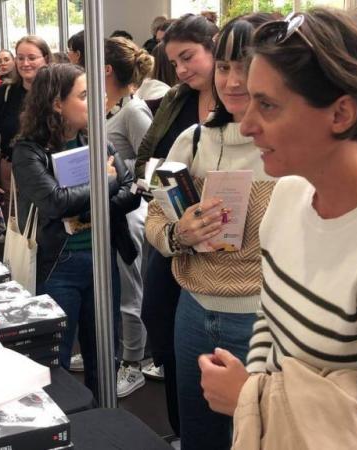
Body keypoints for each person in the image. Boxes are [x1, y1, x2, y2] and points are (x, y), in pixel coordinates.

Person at [199, 9, 357, 450]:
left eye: (269, 105)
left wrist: (248, 398)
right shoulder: (288, 195)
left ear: (340, 114)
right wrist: (257, 400)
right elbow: (270, 320)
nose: (247, 124)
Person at [146, 14, 275, 449]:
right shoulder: (194, 141)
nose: (234, 81)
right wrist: (180, 234)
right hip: (194, 311)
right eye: (224, 67)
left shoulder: (289, 146)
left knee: (258, 434)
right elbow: (156, 221)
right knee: (198, 432)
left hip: (264, 320)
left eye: (247, 66)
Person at [12, 63, 140, 399]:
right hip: (58, 266)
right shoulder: (28, 150)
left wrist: (86, 206)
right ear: (57, 104)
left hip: (101, 259)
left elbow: (131, 192)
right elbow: (54, 203)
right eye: (84, 96)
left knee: (104, 354)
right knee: (57, 359)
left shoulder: (97, 139)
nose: (95, 101)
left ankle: (106, 422)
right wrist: (104, 182)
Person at [135, 13, 218, 436]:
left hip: (221, 242)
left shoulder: (238, 99)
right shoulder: (176, 99)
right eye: (175, 62)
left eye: (189, 58)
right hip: (169, 225)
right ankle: (180, 428)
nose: (182, 70)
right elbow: (148, 152)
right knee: (160, 319)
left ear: (215, 47)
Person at [103, 36, 154, 398]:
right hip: (109, 211)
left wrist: (122, 185)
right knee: (109, 287)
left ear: (105, 69)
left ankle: (132, 362)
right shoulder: (108, 108)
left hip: (129, 214)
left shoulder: (133, 111)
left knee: (129, 290)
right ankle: (114, 352)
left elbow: (149, 163)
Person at [0, 36, 51, 205]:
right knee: (16, 228)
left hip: (50, 174)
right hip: (11, 175)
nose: (25, 63)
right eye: (20, 58)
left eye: (32, 58)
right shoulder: (4, 93)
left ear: (46, 59)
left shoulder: (57, 93)